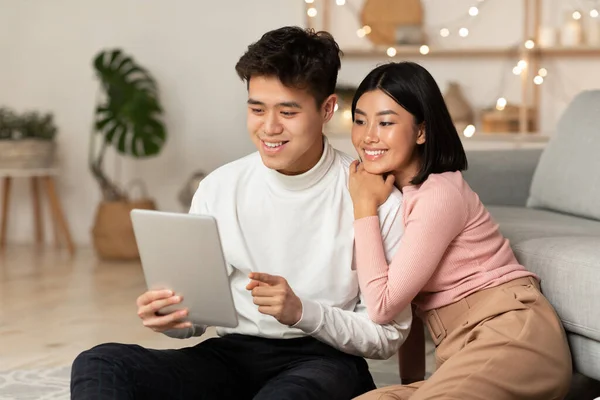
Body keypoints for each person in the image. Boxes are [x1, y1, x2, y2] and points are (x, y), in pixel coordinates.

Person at [70, 27, 412, 400]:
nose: (269, 127)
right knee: (100, 362)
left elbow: (386, 336)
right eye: (256, 108)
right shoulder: (219, 187)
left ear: (327, 108)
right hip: (232, 356)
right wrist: (172, 318)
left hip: (326, 362)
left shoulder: (374, 200)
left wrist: (303, 312)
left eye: (287, 111)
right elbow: (197, 321)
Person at [347, 61, 572, 400]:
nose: (368, 136)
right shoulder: (393, 195)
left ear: (421, 131)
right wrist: (411, 386)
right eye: (360, 120)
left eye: (386, 122)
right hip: (463, 352)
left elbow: (383, 306)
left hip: (512, 334)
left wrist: (363, 206)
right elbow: (410, 309)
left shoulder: (439, 194)